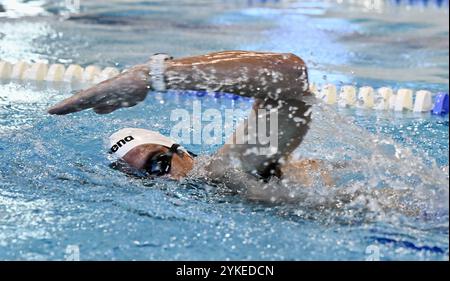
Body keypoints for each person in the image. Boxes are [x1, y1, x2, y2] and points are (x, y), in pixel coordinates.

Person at [48, 51, 333, 202]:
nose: (158, 179)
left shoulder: (225, 173)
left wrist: (154, 75)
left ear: (182, 152)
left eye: (157, 164)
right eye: (141, 177)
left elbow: (290, 73)